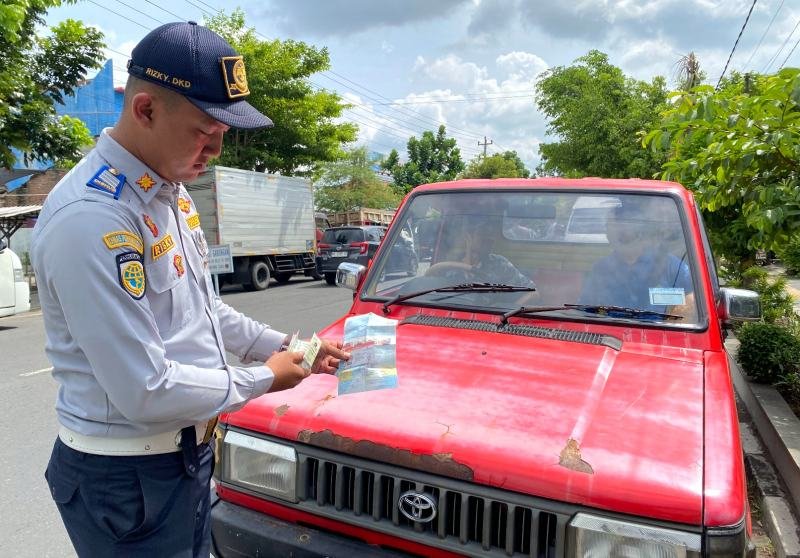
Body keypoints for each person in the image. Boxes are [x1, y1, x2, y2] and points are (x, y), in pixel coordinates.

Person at [31, 22, 349, 557]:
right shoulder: (92, 217)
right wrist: (266, 377)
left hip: (183, 455)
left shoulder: (168, 192)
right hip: (126, 479)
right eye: (205, 131)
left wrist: (288, 348)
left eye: (223, 132)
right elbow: (145, 389)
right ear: (146, 110)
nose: (216, 150)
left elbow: (203, 312)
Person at [579, 198, 696, 319]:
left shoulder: (670, 266)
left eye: (622, 231)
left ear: (639, 232)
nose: (610, 234)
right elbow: (586, 309)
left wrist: (674, 323)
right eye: (609, 228)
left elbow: (692, 297)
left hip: (658, 330)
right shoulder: (601, 269)